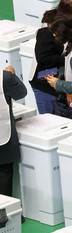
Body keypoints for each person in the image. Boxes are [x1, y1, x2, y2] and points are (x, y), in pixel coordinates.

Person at [32, 0, 72, 114]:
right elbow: (43, 59)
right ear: (67, 14)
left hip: (60, 83)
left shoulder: (70, 25)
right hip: (44, 85)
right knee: (51, 121)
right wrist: (69, 59)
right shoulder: (47, 31)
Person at [0, 65, 27, 196]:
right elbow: (21, 93)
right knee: (4, 172)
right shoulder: (5, 77)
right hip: (2, 136)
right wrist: (12, 76)